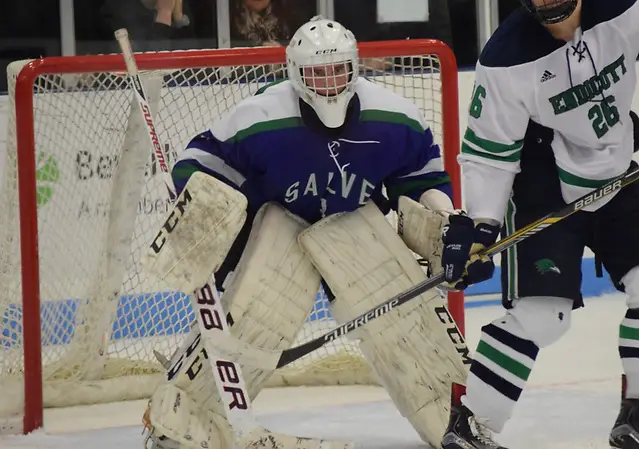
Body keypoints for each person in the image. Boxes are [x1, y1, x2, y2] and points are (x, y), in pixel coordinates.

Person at [142, 15, 468, 449]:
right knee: (257, 318)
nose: (329, 82)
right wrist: (194, 204)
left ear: (354, 69)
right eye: (317, 72)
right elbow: (201, 164)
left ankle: (449, 419)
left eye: (338, 70)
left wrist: (446, 222)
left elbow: (422, 182)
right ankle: (186, 422)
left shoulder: (397, 118)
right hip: (277, 228)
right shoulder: (259, 116)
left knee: (401, 317)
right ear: (295, 74)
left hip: (354, 229)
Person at [438, 1, 639, 448]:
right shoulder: (506, 54)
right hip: (542, 179)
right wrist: (484, 226)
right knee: (542, 318)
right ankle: (471, 424)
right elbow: (489, 147)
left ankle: (637, 413)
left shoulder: (625, 8)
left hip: (619, 168)